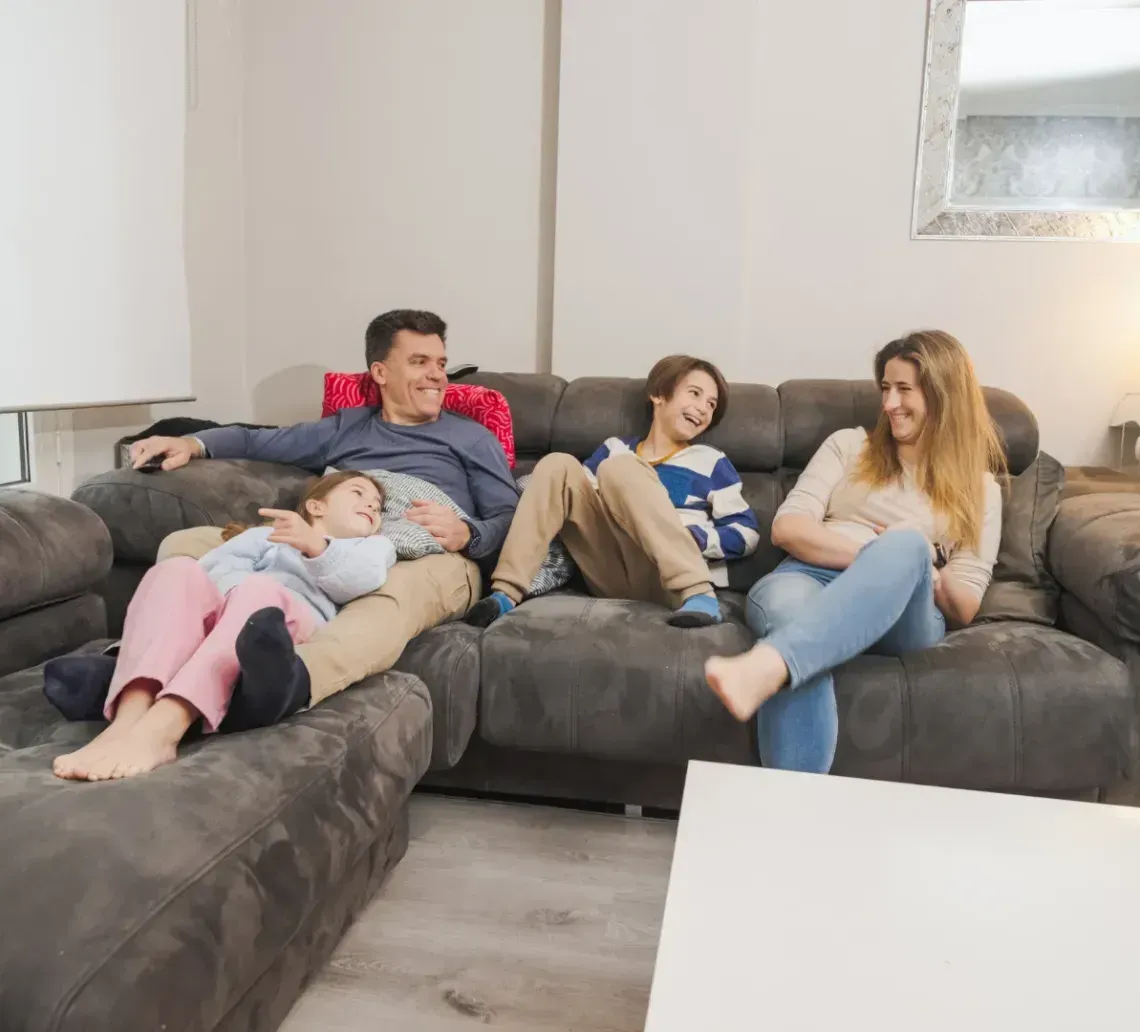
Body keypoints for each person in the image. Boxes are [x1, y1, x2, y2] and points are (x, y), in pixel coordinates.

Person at [121, 309, 517, 714]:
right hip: (331, 538)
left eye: (441, 364)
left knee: (391, 594)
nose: (437, 376)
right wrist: (191, 443)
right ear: (380, 372)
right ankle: (150, 664)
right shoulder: (346, 427)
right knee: (185, 544)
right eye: (420, 362)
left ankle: (289, 683)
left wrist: (469, 534)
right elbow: (258, 441)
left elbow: (511, 518)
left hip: (434, 553)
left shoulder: (471, 437)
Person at [705, 330, 1005, 773]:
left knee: (904, 542)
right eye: (885, 388)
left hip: (906, 609)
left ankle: (768, 664)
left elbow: (965, 605)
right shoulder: (849, 446)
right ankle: (793, 817)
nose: (888, 404)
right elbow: (788, 528)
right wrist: (867, 551)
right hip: (806, 579)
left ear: (945, 396)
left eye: (904, 389)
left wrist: (914, 557)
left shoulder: (981, 490)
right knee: (793, 617)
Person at [48, 471, 397, 780]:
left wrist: (313, 546)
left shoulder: (371, 547)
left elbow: (359, 579)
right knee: (176, 569)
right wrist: (226, 604)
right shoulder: (264, 537)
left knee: (257, 590)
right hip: (229, 609)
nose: (371, 505)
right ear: (317, 506)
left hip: (282, 622)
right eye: (357, 493)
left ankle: (165, 727)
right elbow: (214, 569)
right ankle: (128, 719)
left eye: (378, 506)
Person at [466, 355, 760, 629]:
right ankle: (506, 592)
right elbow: (574, 501)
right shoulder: (614, 448)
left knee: (620, 469)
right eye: (695, 394)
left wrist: (694, 538)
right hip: (607, 569)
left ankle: (698, 592)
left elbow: (747, 534)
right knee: (559, 464)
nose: (703, 408)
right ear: (659, 394)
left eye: (711, 404)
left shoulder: (711, 461)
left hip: (669, 579)